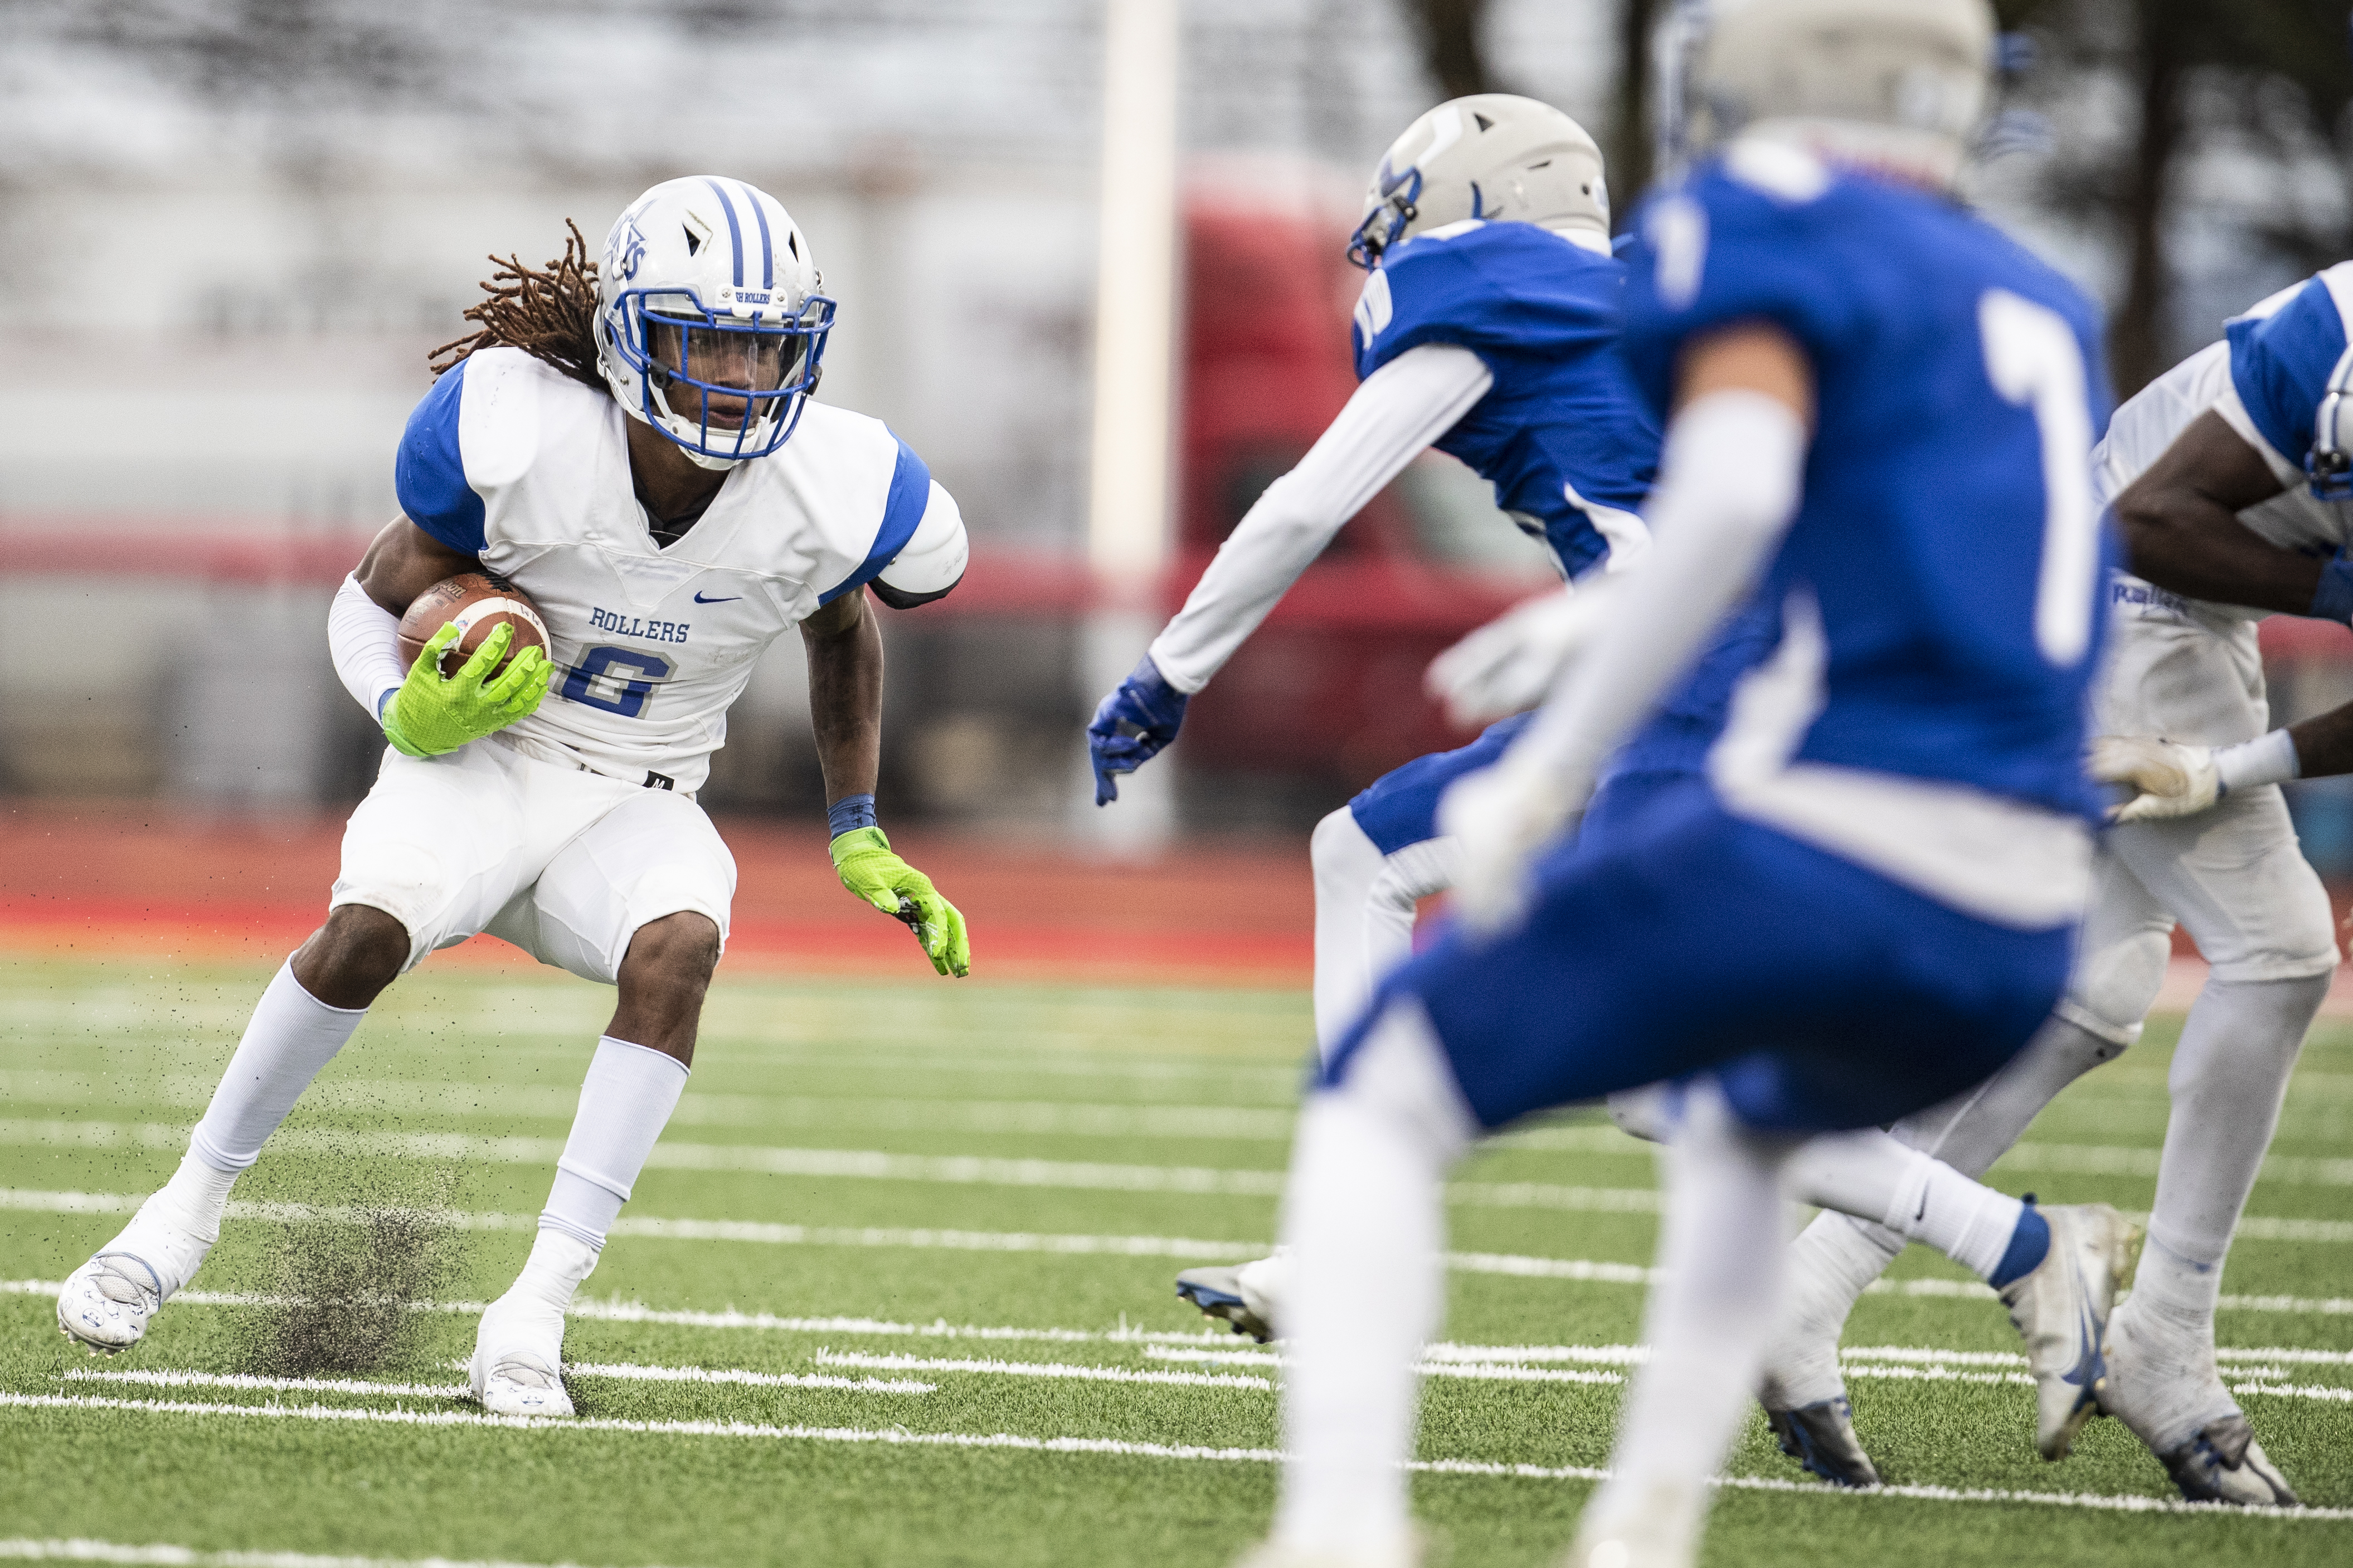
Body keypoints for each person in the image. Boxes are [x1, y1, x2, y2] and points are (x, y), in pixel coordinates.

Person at [1093, 89, 2119, 1493]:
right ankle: (1339, 1251)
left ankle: (2017, 1244)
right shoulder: (1660, 294)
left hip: (1687, 685)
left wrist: (1169, 669)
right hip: (1723, 669)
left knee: (1663, 1079)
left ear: (1470, 202)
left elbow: (1304, 505)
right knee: (1362, 855)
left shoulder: (1490, 293)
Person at [55, 176, 973, 1419]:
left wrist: (856, 828)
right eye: (706, 339)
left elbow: (842, 630)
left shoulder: (838, 483)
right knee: (366, 930)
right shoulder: (521, 432)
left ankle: (532, 1310)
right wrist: (400, 711)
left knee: (682, 943)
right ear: (629, 336)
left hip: (637, 795)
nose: (739, 376)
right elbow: (370, 593)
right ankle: (183, 1213)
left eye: (764, 344)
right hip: (482, 763)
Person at [1761, 264, 2353, 1509]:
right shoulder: (2332, 335)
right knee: (2280, 952)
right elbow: (2148, 517)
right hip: (2109, 577)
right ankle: (2162, 1343)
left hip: (2170, 611)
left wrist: (2227, 766)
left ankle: (1797, 1298)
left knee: (2093, 983)